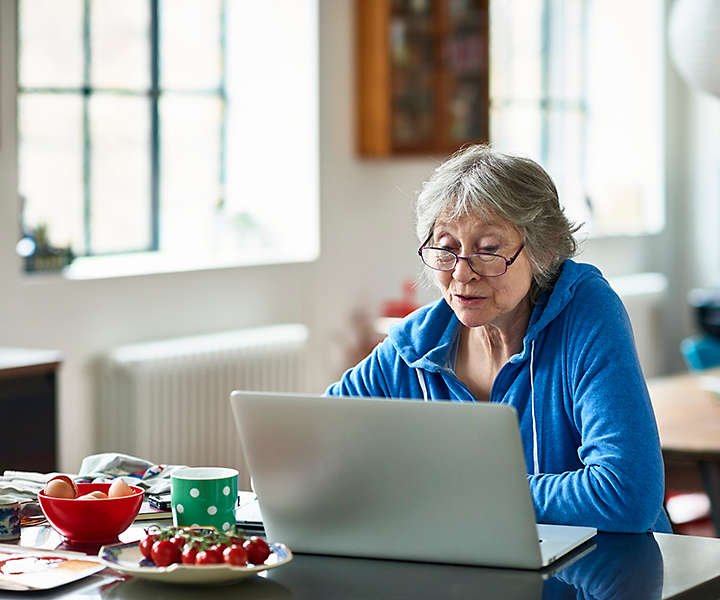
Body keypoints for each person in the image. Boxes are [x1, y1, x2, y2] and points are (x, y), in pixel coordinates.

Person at [326, 144, 672, 534]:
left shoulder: (586, 313)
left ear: (546, 248)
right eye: (446, 247)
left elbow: (626, 494)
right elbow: (318, 443)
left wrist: (457, 494)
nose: (462, 273)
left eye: (488, 251)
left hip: (608, 575)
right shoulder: (417, 343)